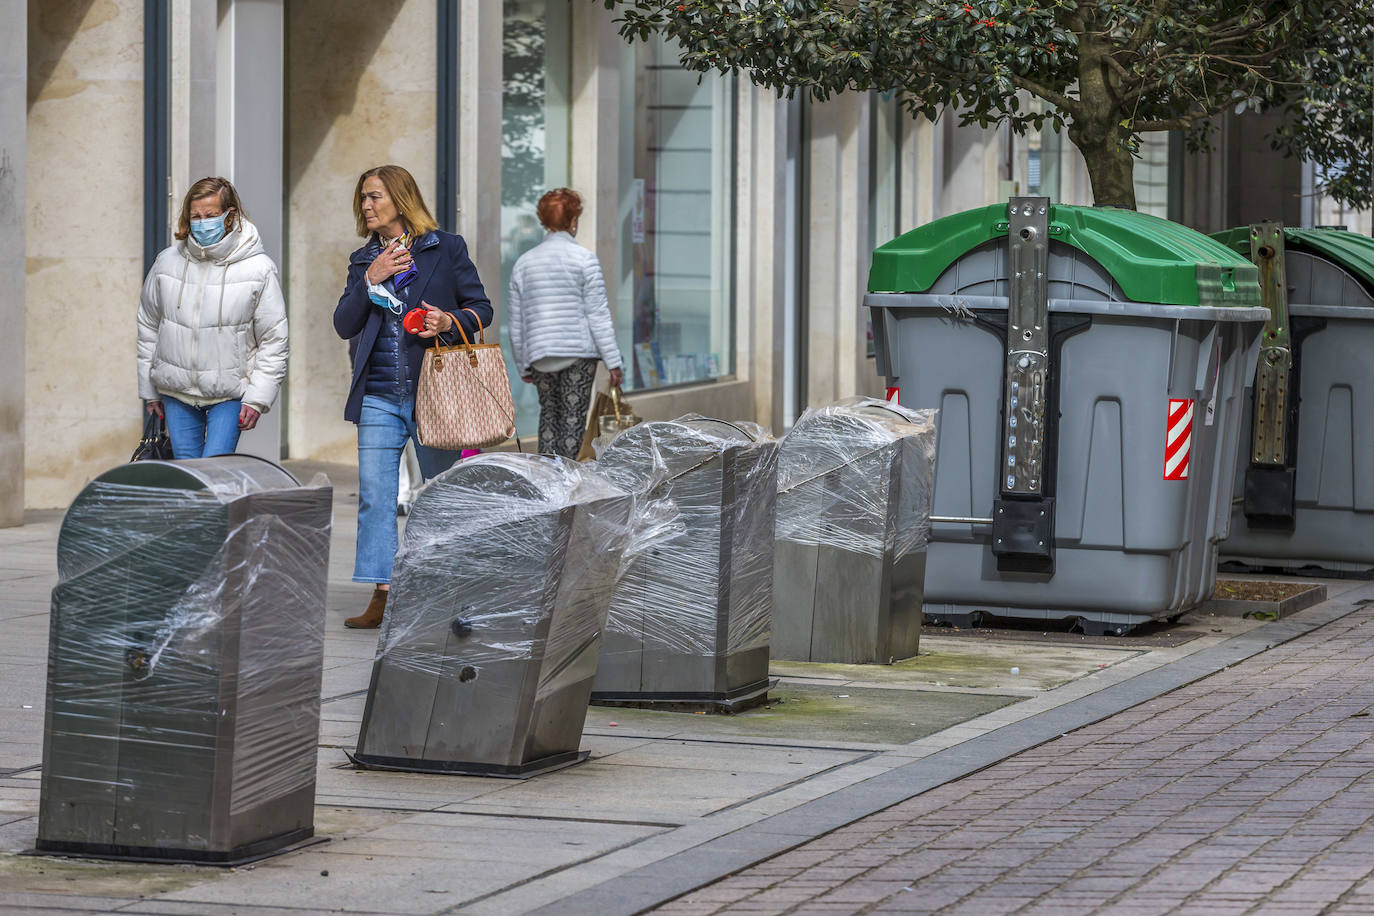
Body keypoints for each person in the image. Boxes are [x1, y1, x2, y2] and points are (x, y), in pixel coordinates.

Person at [334, 164, 493, 629]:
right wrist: (372, 278)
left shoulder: (445, 249)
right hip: (379, 394)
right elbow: (344, 323)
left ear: (401, 200)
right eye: (363, 197)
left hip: (435, 393)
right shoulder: (364, 259)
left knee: (442, 496)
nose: (366, 205)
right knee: (376, 498)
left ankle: (452, 590)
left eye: (375, 196)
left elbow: (481, 308)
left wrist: (447, 321)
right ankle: (383, 594)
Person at [137, 177, 287, 458]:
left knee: (216, 474)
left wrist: (258, 399)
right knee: (190, 479)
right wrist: (150, 389)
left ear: (230, 216)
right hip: (176, 392)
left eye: (211, 215)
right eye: (196, 216)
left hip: (228, 395)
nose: (202, 222)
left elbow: (274, 339)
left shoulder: (258, 269)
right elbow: (148, 326)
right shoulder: (166, 262)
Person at [507, 188, 624, 458]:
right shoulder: (585, 259)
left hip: (541, 354)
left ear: (543, 221)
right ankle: (569, 486)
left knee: (548, 417)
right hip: (578, 354)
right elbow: (597, 314)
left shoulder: (524, 263)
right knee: (573, 422)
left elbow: (517, 322)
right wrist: (613, 361)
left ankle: (548, 481)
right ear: (574, 221)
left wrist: (523, 361)